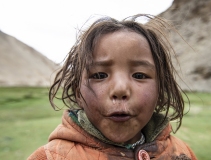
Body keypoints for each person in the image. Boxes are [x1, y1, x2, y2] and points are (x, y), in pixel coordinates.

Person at [28, 14, 197, 160]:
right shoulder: (49, 157)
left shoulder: (181, 153)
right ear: (77, 90)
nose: (120, 90)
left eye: (139, 75)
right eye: (99, 75)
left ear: (160, 89)